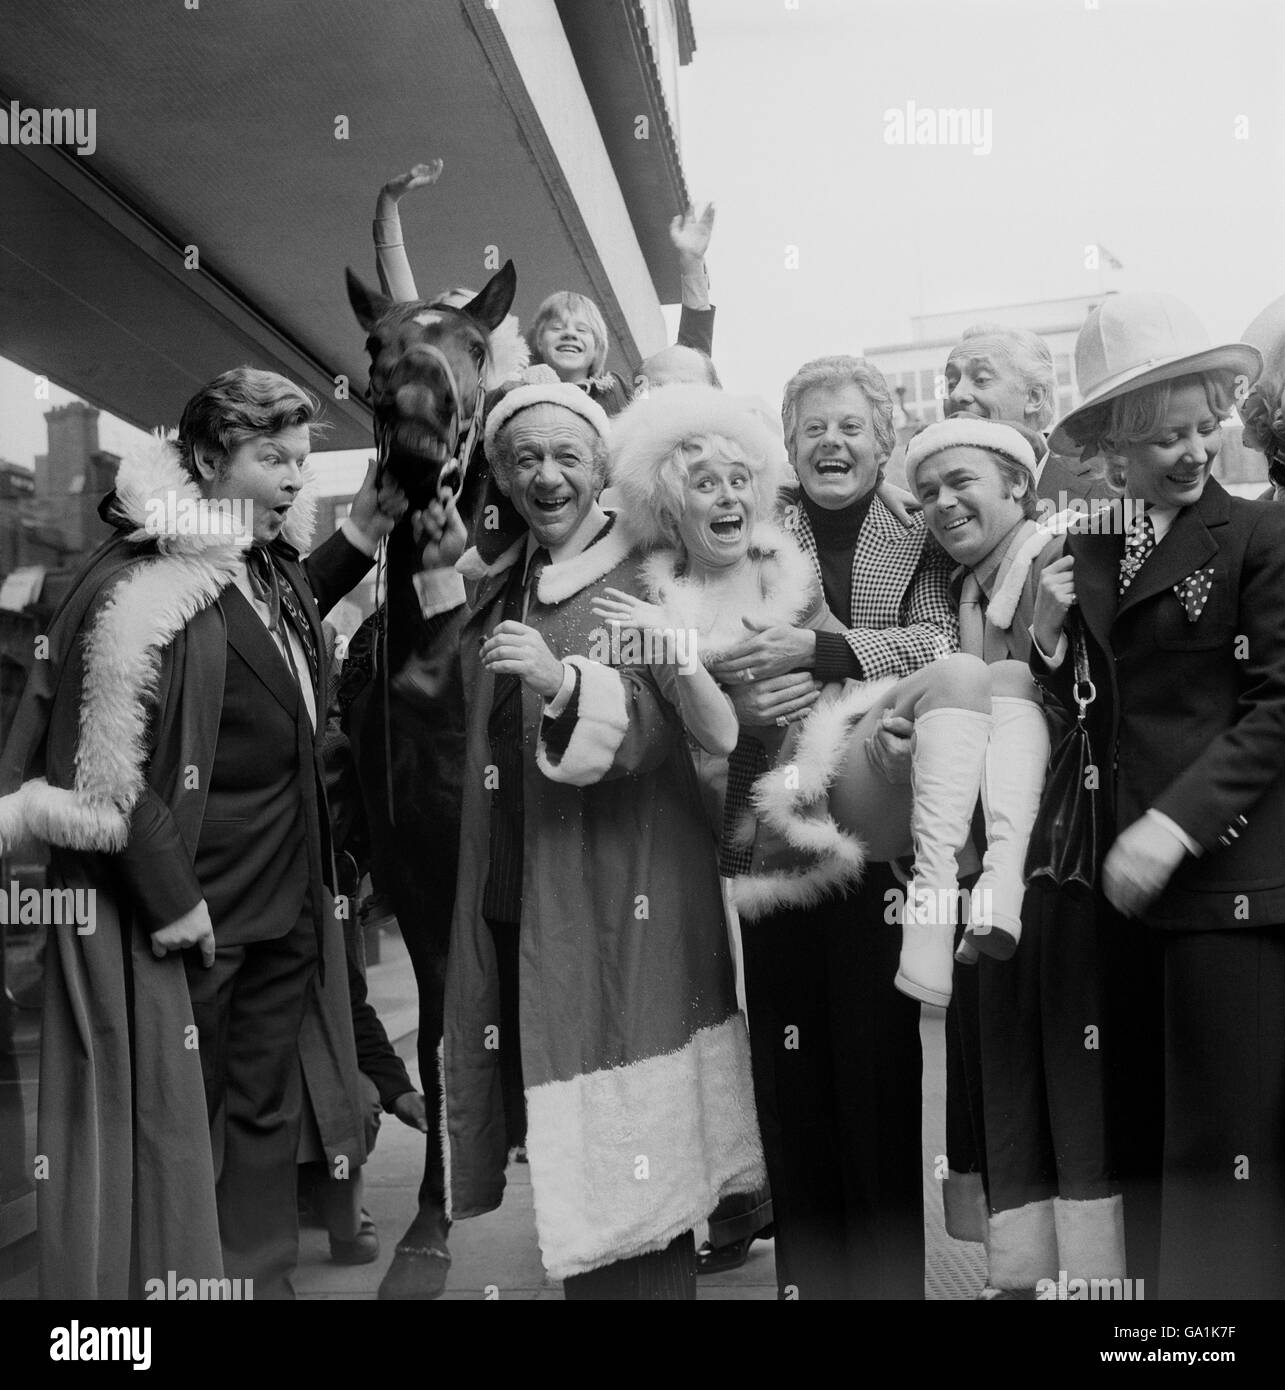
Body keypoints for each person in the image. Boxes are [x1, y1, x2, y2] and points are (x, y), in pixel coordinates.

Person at [0, 367, 406, 1298]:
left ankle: (262, 1282)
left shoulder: (256, 561)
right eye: (274, 459)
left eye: (302, 459)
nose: (296, 478)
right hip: (191, 921)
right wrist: (173, 901)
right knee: (184, 1127)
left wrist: (366, 532)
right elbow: (104, 769)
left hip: (284, 907)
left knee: (262, 1119)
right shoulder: (140, 581)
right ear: (210, 459)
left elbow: (278, 625)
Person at [420, 365, 764, 1298]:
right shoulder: (507, 585)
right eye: (523, 458)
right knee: (581, 1143)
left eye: (566, 455)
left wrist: (565, 684)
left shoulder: (639, 577)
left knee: (636, 1146)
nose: (545, 477)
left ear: (599, 466)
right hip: (530, 903)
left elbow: (672, 731)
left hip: (629, 900)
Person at [1035, 290, 1285, 1299]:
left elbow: (1274, 707)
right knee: (1142, 1139)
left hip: (1227, 885)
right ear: (1109, 450)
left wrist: (1172, 827)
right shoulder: (1085, 542)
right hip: (1120, 893)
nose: (1191, 452)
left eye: (1201, 429)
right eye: (1163, 438)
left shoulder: (1259, 533)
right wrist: (1047, 646)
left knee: (1222, 1152)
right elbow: (1089, 714)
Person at [705, 354, 956, 1299]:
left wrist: (824, 650)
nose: (831, 444)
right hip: (772, 834)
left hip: (876, 839)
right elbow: (717, 644)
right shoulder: (750, 528)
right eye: (812, 428)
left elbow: (938, 643)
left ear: (883, 438)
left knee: (881, 1078)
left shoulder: (921, 527)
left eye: (849, 426)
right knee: (790, 1072)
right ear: (788, 441)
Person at [895, 417, 1129, 1294]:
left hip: (1052, 869)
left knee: (1061, 1079)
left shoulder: (1056, 557)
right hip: (987, 876)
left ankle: (1095, 1279)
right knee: (1001, 1073)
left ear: (1018, 489)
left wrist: (1040, 644)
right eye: (928, 493)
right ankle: (1023, 1270)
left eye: (962, 484)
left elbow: (1098, 706)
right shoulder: (960, 584)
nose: (944, 503)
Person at [373, 161, 717, 416]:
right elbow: (410, 316)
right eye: (557, 326)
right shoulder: (504, 395)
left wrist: (690, 265)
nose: (570, 334)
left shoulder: (622, 395)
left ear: (599, 348)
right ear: (536, 340)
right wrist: (388, 204)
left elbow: (689, 365)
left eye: (583, 329)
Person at [943, 323, 1114, 508]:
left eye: (981, 379)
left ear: (1034, 397)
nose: (955, 394)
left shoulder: (1108, 485)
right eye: (951, 383)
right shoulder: (932, 497)